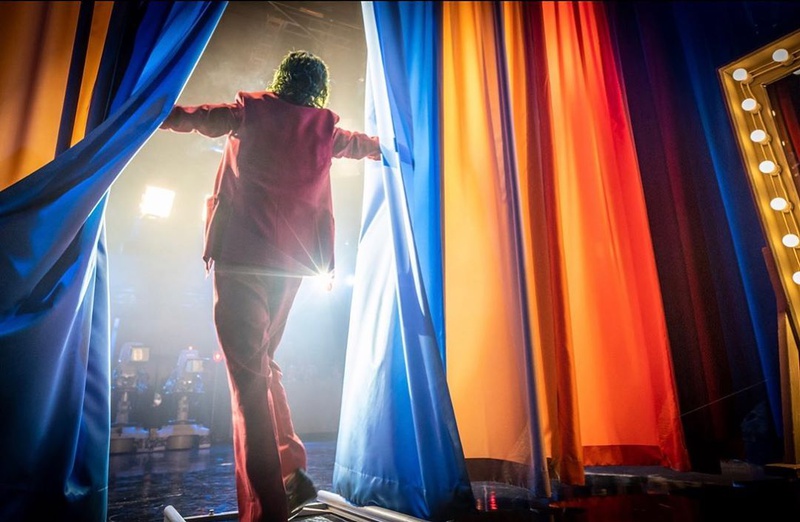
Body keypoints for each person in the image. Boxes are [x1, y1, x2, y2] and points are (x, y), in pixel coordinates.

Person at [159, 50, 381, 522]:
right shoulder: (325, 131)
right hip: (292, 268)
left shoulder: (252, 112)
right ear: (318, 89)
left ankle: (270, 509)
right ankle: (291, 473)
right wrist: (398, 144)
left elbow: (197, 119)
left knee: (247, 384)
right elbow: (362, 145)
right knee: (264, 364)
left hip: (242, 263)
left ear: (281, 80)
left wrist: (148, 114)